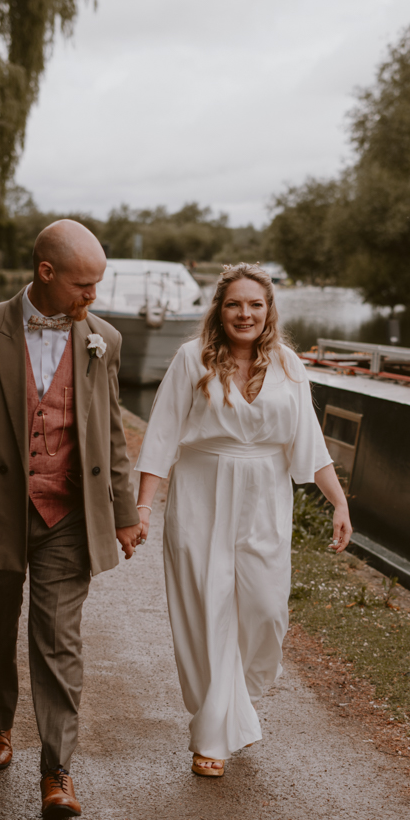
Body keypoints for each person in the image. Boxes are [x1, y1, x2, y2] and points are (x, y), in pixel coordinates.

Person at [0, 220, 142, 818]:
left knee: (59, 638)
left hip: (67, 514)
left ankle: (57, 772)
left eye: (97, 284)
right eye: (83, 284)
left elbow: (111, 433)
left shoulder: (104, 340)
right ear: (46, 272)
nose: (92, 295)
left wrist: (124, 512)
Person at [134, 263, 353, 777]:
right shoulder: (191, 358)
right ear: (219, 309)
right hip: (200, 494)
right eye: (234, 304)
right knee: (207, 609)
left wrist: (339, 503)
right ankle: (212, 736)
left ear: (269, 310)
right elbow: (161, 436)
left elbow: (309, 442)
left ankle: (238, 700)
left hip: (265, 499)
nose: (245, 314)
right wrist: (143, 507)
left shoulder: (288, 364)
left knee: (266, 609)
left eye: (255, 304)